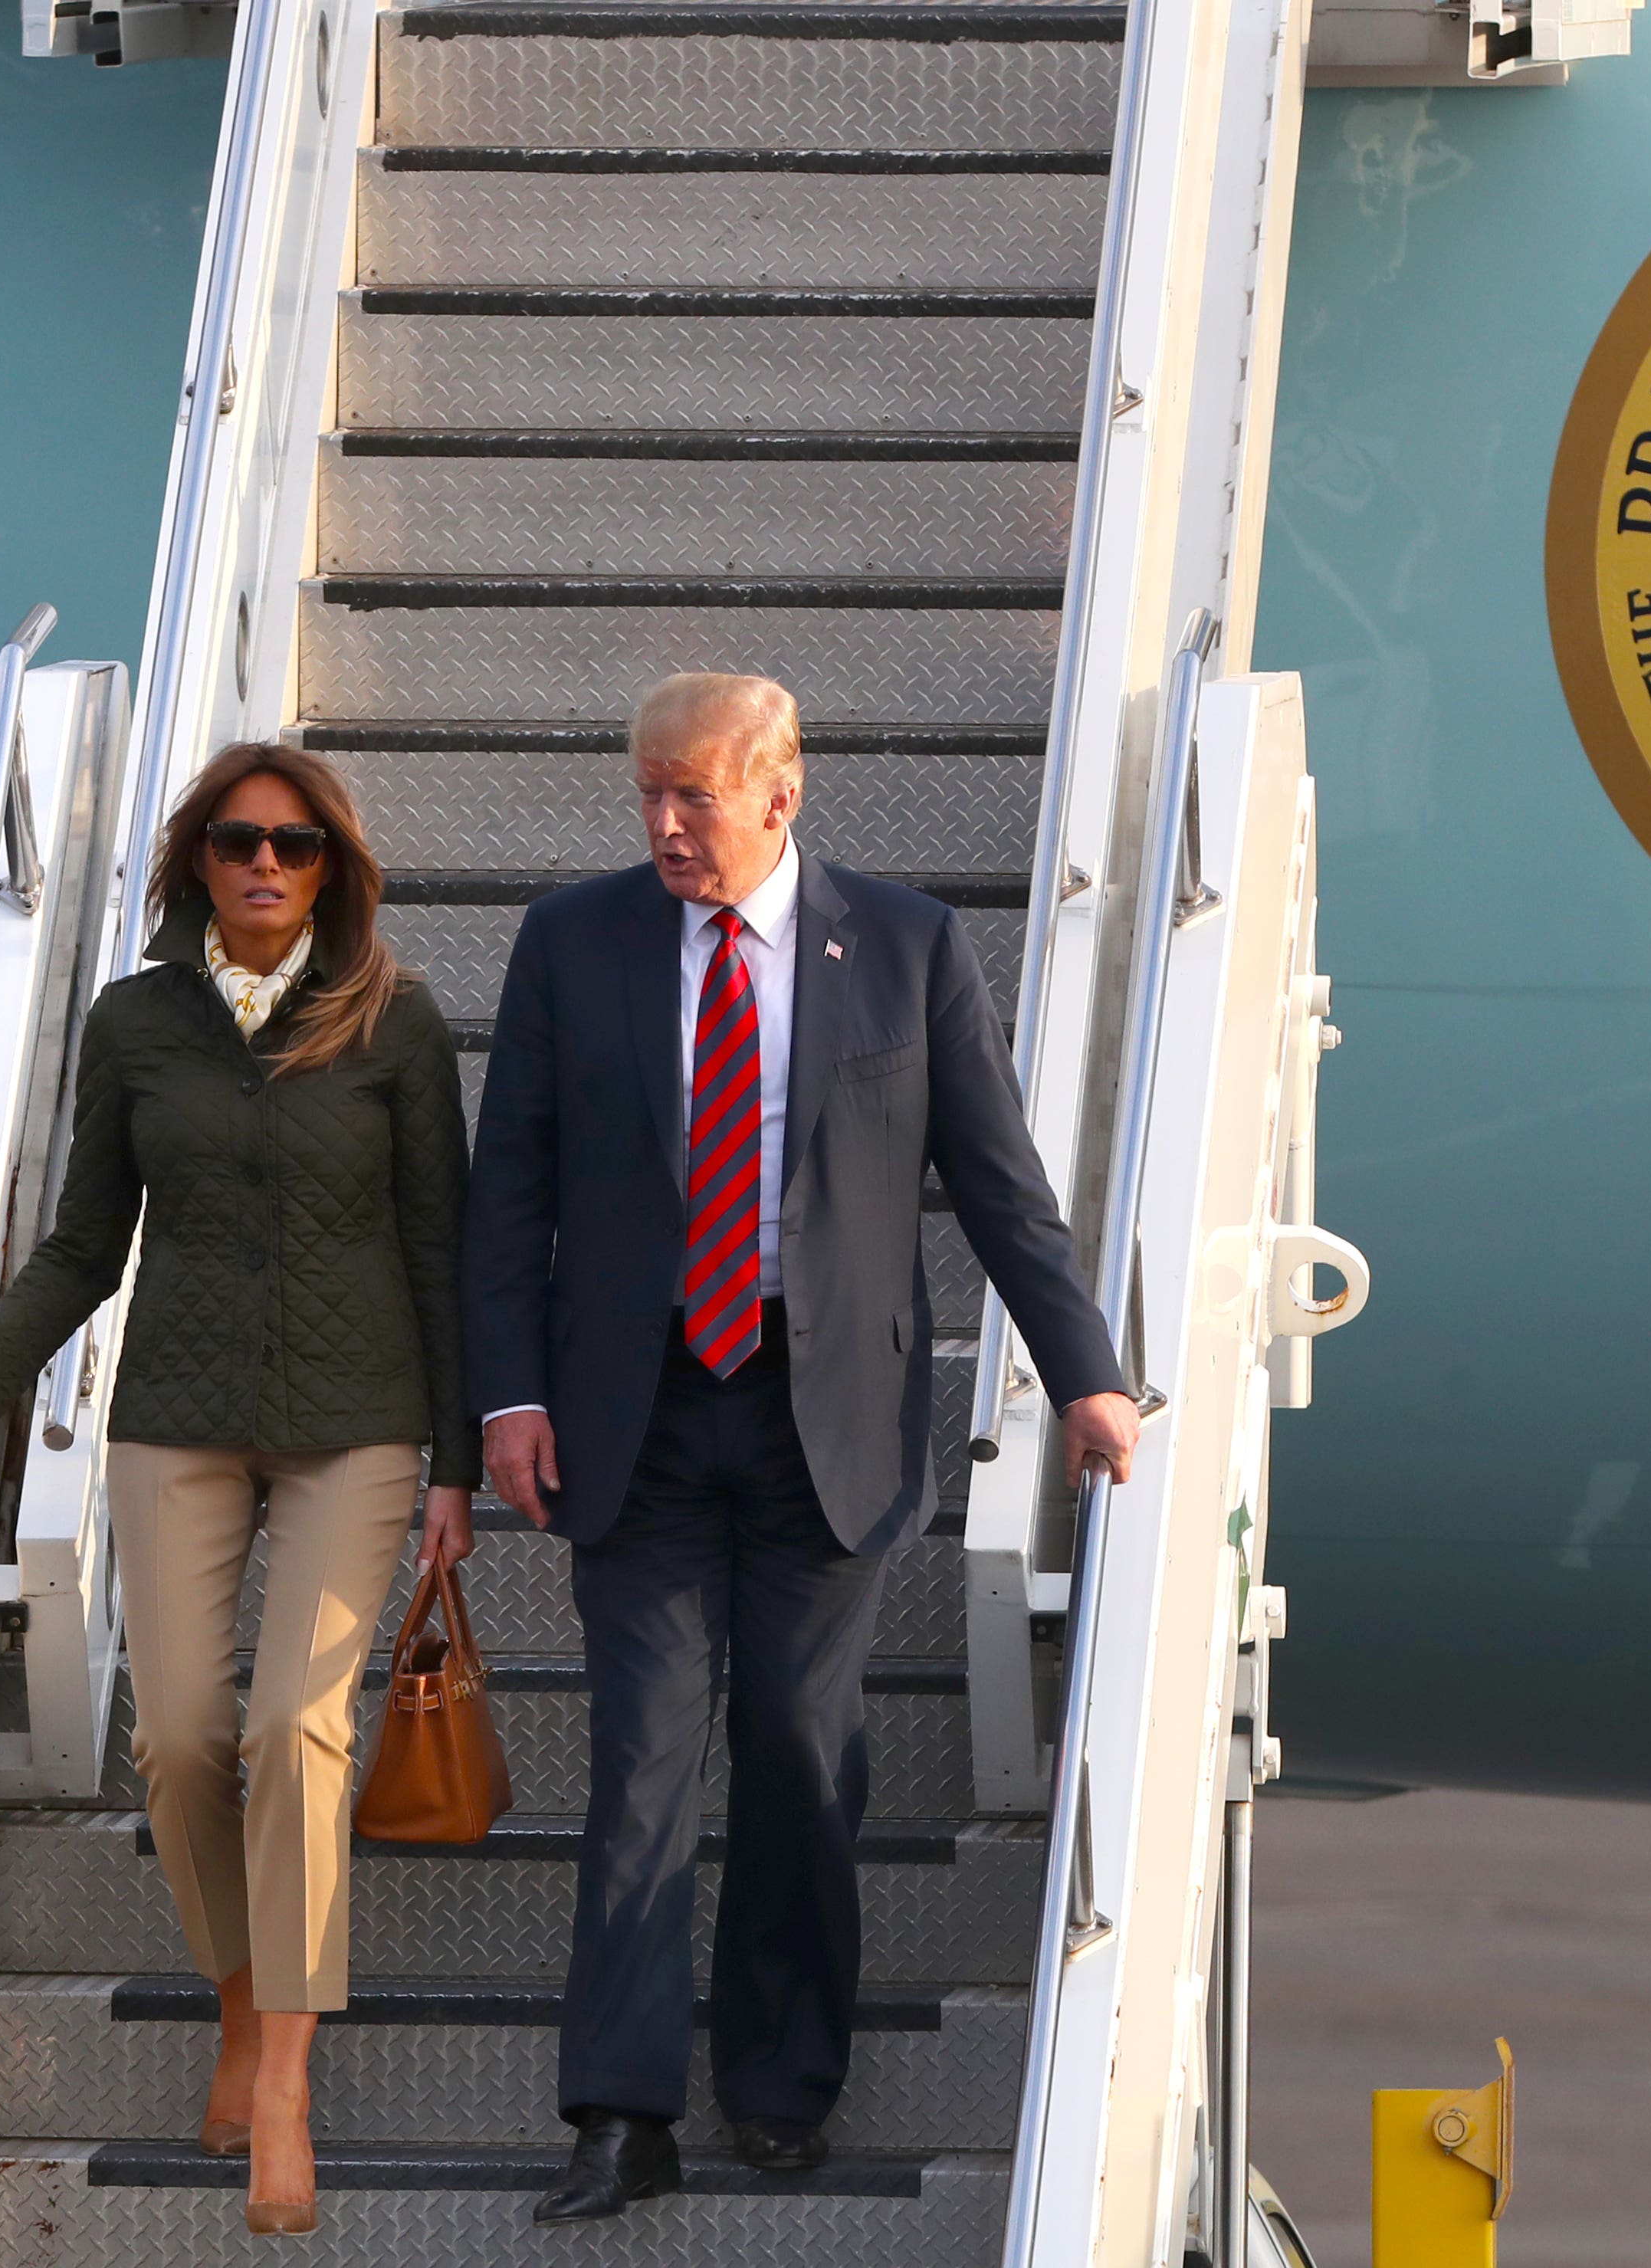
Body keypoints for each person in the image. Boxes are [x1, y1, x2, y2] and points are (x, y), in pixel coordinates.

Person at [462, 672, 1138, 2223]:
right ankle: (620, 2113)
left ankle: (779, 2082)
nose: (665, 824)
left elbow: (997, 1182)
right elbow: (512, 1190)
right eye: (648, 793)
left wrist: (1087, 1372)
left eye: (695, 795)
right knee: (640, 1757)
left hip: (820, 1419)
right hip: (631, 1415)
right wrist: (507, 1396)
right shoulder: (577, 940)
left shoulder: (902, 946)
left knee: (793, 1747)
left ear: (782, 792)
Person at [0, 741, 478, 2238]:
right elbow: (85, 1244)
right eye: (237, 840)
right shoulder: (134, 1022)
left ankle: (286, 2082)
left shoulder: (396, 1023)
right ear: (196, 858)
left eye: (296, 845)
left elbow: (443, 1257)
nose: (267, 866)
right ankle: (244, 1990)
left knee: (296, 1726)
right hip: (179, 1420)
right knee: (186, 1740)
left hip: (358, 1423)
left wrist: (457, 1462)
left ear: (337, 867)